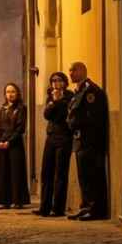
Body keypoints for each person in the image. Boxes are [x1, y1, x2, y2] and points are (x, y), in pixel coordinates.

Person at [66, 62, 109, 221]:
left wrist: (75, 123)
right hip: (80, 141)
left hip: (90, 141)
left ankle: (96, 208)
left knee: (93, 176)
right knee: (83, 176)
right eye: (70, 70)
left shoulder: (91, 91)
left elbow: (92, 117)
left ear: (83, 71)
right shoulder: (79, 91)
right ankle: (86, 206)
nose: (70, 73)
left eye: (74, 70)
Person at [34, 72, 74, 217]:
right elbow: (47, 115)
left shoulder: (70, 96)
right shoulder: (50, 96)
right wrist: (54, 102)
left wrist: (57, 102)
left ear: (65, 82)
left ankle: (58, 208)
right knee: (46, 172)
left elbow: (64, 115)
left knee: (60, 174)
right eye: (53, 80)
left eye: (59, 80)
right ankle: (44, 207)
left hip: (64, 138)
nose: (56, 83)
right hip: (51, 137)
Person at [0, 83, 30, 208]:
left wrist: (9, 141)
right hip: (3, 144)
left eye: (13, 91)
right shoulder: (3, 108)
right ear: (5, 94)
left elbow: (20, 128)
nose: (10, 94)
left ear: (18, 93)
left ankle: (18, 200)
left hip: (15, 144)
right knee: (4, 172)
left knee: (16, 172)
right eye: (8, 92)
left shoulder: (21, 108)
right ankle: (4, 201)